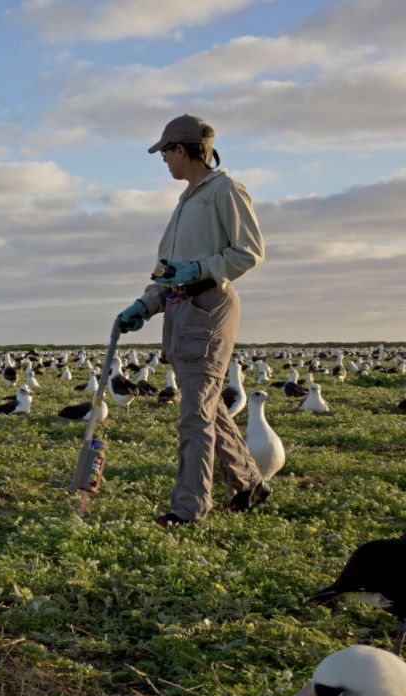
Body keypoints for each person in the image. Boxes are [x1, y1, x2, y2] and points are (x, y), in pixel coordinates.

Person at [116, 114, 268, 527]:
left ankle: (189, 509)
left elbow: (249, 251)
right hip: (181, 311)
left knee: (194, 413)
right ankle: (249, 483)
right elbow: (167, 270)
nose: (163, 160)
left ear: (181, 150)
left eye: (165, 152)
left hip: (209, 307)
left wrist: (199, 269)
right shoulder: (186, 201)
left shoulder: (225, 190)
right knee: (208, 405)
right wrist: (145, 305)